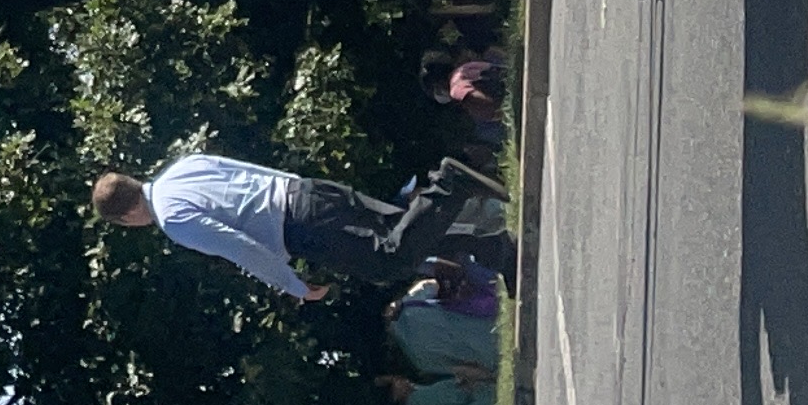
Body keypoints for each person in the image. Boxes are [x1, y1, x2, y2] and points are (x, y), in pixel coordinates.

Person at [92, 149, 512, 300]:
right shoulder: (183, 166)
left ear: (128, 215)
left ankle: (450, 183)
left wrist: (293, 286)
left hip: (297, 225)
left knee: (389, 261)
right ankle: (494, 247)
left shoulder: (172, 220)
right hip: (304, 192)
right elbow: (249, 169)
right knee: (405, 227)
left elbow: (239, 247)